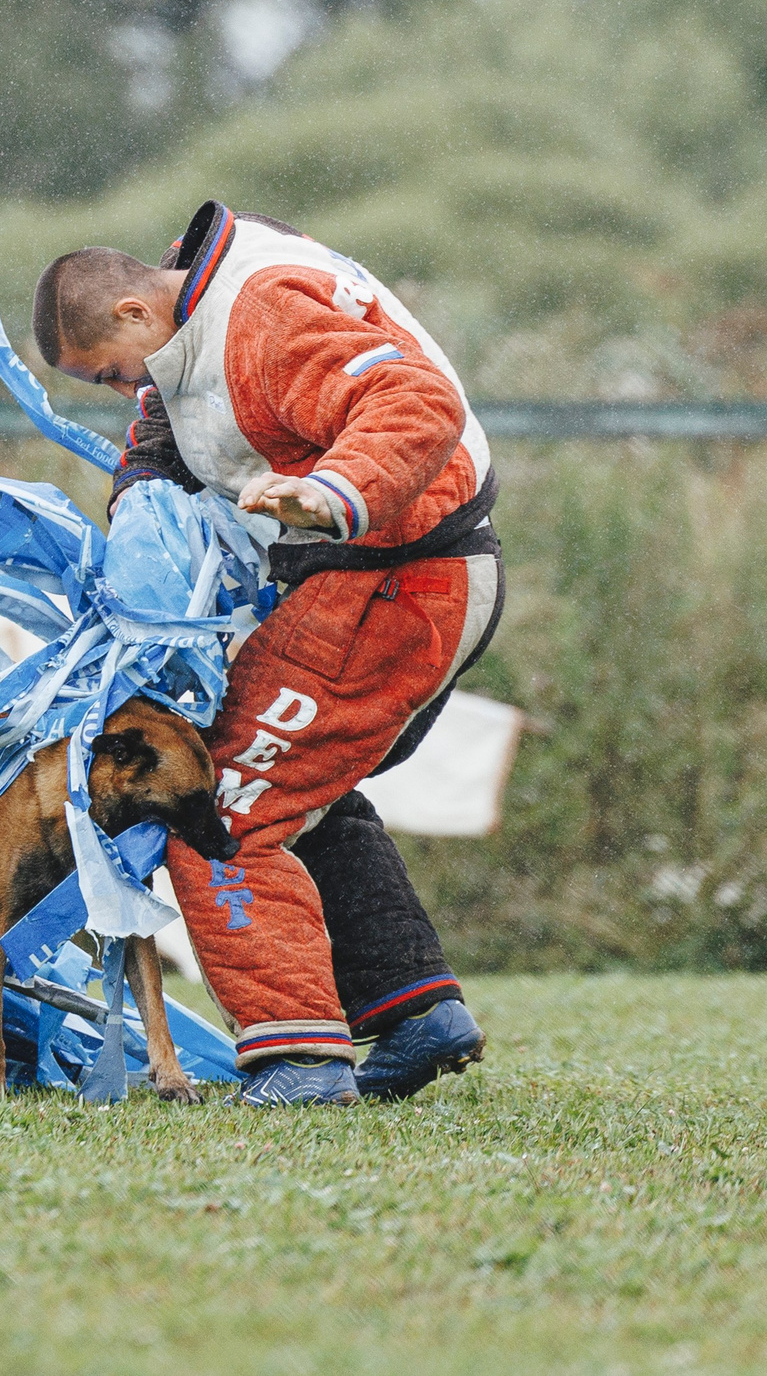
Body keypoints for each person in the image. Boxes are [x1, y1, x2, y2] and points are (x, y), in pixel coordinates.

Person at [34, 201, 502, 1107]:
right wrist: (139, 502)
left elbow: (417, 401)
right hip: (368, 579)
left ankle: (302, 1060)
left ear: (135, 313)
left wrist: (337, 489)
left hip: (401, 580)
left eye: (108, 372)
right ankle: (412, 1011)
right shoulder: (195, 299)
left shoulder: (259, 317)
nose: (121, 386)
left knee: (220, 802)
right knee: (296, 787)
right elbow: (166, 422)